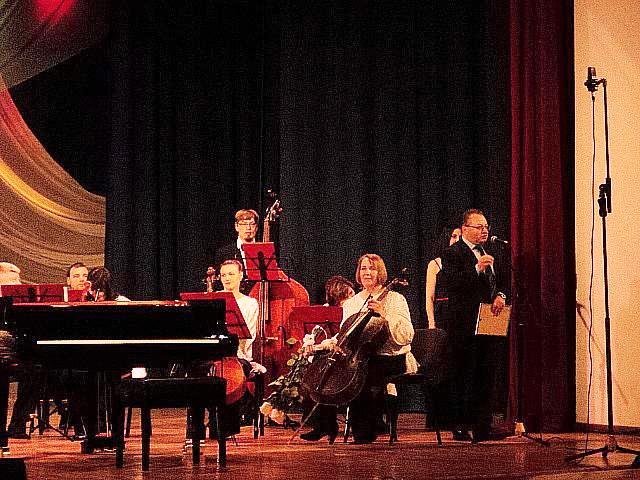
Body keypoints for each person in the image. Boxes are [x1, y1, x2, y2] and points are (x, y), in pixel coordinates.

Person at [301, 254, 415, 444]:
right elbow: (346, 333)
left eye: (372, 268)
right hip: (361, 355)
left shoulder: (396, 299)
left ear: (380, 272)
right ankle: (325, 425)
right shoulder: (352, 302)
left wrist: (384, 314)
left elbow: (407, 335)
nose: (367, 272)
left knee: (364, 372)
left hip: (392, 357)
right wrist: (326, 345)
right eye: (363, 268)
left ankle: (364, 431)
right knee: (325, 367)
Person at [440, 209, 509, 442]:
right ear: (465, 229)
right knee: (465, 374)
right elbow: (452, 284)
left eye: (486, 226)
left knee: (487, 373)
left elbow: (503, 282)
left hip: (490, 321)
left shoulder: (492, 251)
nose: (484, 231)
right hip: (464, 325)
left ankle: (483, 426)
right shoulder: (452, 253)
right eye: (479, 227)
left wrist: (501, 295)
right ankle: (460, 424)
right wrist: (476, 268)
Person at [213, 209, 260, 294]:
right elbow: (219, 282)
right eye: (244, 224)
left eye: (252, 224)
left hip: (259, 295)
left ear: (256, 227)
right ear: (236, 226)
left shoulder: (263, 251)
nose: (248, 228)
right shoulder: (224, 253)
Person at [425, 227, 461, 329]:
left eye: (460, 237)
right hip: (443, 316)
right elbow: (429, 298)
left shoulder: (469, 263)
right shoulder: (435, 264)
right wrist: (431, 324)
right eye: (454, 236)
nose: (457, 240)